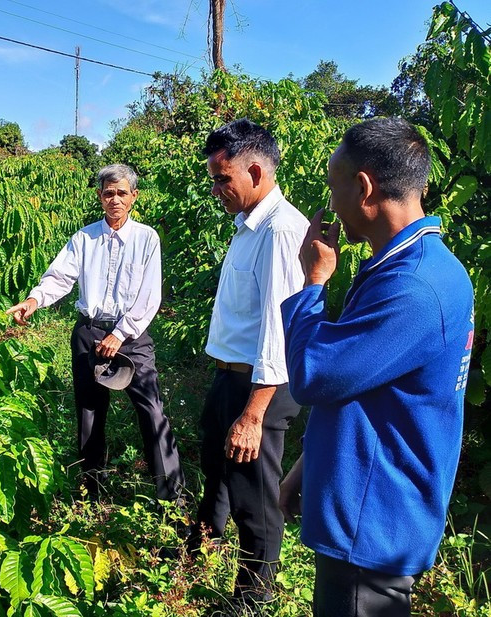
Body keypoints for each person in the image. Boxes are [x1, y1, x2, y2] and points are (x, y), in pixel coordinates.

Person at [279, 117, 474, 617]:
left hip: (370, 527)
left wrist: (313, 283)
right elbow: (363, 388)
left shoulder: (413, 287)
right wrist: (306, 470)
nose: (330, 204)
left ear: (364, 187)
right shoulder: (411, 266)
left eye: (333, 187)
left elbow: (314, 376)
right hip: (370, 511)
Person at [6, 164, 185, 502]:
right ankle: (91, 493)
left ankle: (172, 499)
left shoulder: (146, 238)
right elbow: (59, 277)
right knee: (89, 412)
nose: (114, 199)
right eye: (108, 193)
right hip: (89, 332)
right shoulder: (85, 238)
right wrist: (33, 301)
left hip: (131, 337)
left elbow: (150, 296)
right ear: (100, 197)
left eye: (121, 193)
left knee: (152, 411)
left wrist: (121, 333)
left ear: (133, 196)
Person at [191, 119, 308, 603]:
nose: (215, 189)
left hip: (261, 388)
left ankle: (253, 599)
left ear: (255, 172)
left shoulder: (279, 231)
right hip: (232, 377)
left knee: (254, 499)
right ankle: (198, 553)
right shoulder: (249, 227)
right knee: (217, 474)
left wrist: (253, 414)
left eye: (223, 179)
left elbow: (279, 329)